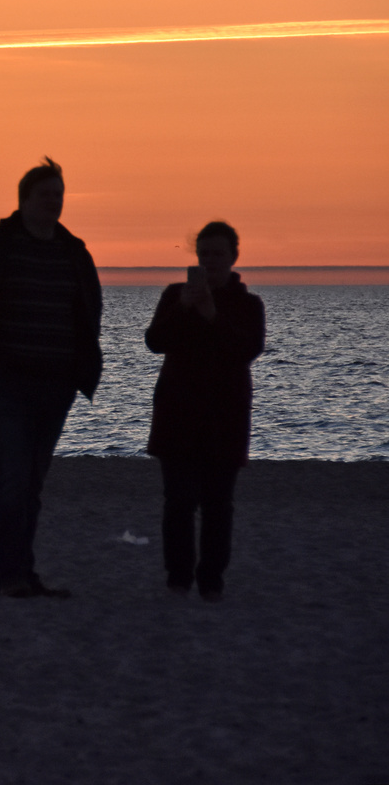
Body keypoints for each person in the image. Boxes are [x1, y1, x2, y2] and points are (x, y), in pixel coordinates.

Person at [0, 157, 103, 598]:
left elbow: (89, 311)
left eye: (59, 195)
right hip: (3, 383)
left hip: (56, 385)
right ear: (24, 200)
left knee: (32, 480)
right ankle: (10, 576)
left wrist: (77, 371)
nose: (53, 202)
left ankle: (25, 573)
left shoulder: (73, 251)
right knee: (12, 477)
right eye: (45, 194)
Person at [144, 222, 265, 602]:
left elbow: (246, 350)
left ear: (233, 257)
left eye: (218, 253)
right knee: (178, 502)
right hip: (177, 411)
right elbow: (155, 341)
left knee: (218, 504)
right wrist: (184, 307)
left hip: (225, 416)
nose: (210, 260)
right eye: (204, 253)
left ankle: (211, 579)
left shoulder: (248, 304)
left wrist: (212, 313)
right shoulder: (174, 296)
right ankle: (178, 576)